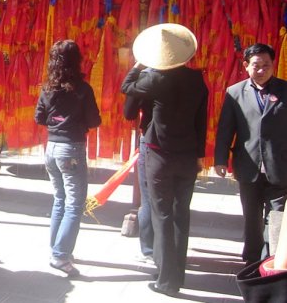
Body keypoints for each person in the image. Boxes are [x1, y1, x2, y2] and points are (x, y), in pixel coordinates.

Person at [121, 23, 208, 297]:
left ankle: (167, 280)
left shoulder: (155, 78)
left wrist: (137, 65)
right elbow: (201, 120)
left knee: (162, 213)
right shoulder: (197, 79)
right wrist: (199, 154)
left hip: (160, 153)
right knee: (182, 213)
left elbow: (126, 87)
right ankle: (177, 271)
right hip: (187, 154)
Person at [214, 43, 287, 266]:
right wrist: (220, 159)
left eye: (267, 65)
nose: (262, 70)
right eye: (257, 65)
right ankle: (252, 260)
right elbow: (226, 129)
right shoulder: (235, 92)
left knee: (276, 217)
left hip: (280, 166)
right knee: (252, 218)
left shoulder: (285, 90)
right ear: (246, 66)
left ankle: (273, 261)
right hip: (249, 165)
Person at [35, 39, 101, 278]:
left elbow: (39, 118)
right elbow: (95, 121)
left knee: (60, 199)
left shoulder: (47, 88)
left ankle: (57, 249)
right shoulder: (83, 89)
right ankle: (61, 255)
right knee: (75, 203)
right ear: (77, 61)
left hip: (51, 148)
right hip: (71, 149)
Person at [123, 91, 155, 266]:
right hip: (181, 145)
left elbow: (129, 112)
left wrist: (135, 72)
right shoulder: (193, 80)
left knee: (148, 199)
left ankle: (149, 250)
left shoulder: (146, 81)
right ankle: (170, 250)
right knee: (175, 202)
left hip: (151, 142)